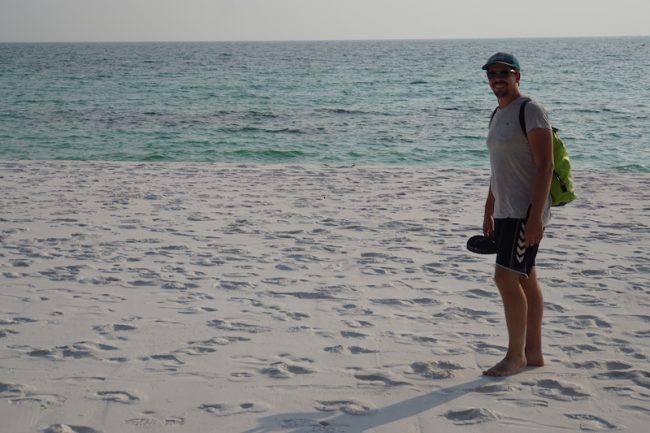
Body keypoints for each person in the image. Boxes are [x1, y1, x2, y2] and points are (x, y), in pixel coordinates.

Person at [481, 52, 554, 377]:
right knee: (525, 276)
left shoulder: (531, 110)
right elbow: (498, 169)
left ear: (517, 77)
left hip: (524, 211)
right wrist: (489, 209)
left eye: (504, 73)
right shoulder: (498, 114)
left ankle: (515, 357)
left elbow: (545, 166)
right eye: (492, 74)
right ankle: (533, 352)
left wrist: (536, 216)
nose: (497, 78)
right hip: (505, 209)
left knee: (505, 277)